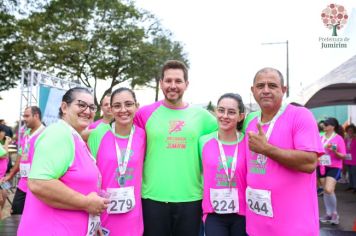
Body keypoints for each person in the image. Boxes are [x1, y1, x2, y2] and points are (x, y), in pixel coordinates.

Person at [134, 60, 218, 236]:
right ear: (161, 83)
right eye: (168, 81)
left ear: (186, 84)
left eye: (178, 81)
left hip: (191, 198)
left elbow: (228, 135)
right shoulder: (144, 114)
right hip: (152, 198)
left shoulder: (203, 117)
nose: (173, 86)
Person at [17, 87, 109, 236]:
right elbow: (39, 183)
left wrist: (92, 223)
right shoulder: (58, 134)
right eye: (81, 105)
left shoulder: (74, 137)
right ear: (64, 107)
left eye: (92, 107)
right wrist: (86, 203)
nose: (88, 111)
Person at [245, 67, 324, 236]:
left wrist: (266, 149)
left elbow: (310, 162)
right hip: (257, 225)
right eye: (260, 86)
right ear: (253, 91)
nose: (265, 90)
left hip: (293, 227)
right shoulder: (251, 123)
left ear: (284, 89)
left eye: (272, 85)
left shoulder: (300, 115)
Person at [88, 87, 146, 235]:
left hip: (133, 216)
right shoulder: (97, 134)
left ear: (136, 106)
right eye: (117, 105)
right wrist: (93, 218)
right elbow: (90, 177)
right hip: (103, 215)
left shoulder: (143, 136)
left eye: (128, 104)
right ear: (111, 109)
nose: (123, 110)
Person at [199, 93, 247, 236]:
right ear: (215, 111)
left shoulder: (248, 142)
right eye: (221, 110)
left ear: (241, 116)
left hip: (243, 213)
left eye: (231, 112)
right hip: (214, 213)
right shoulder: (203, 141)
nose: (225, 116)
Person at [1, 106, 45, 215]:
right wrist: (11, 175)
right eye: (23, 116)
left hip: (39, 183)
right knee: (15, 211)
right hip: (24, 182)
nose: (24, 118)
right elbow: (20, 155)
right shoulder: (26, 133)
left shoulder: (45, 134)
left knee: (35, 214)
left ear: (36, 116)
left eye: (27, 116)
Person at [318, 117, 346, 225]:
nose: (324, 126)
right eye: (323, 124)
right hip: (321, 165)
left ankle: (334, 213)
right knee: (325, 190)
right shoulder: (320, 136)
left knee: (329, 189)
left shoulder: (338, 138)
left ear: (332, 127)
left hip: (334, 166)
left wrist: (335, 151)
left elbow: (342, 155)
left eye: (326, 124)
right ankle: (328, 213)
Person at [0, 125, 12, 219]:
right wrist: (7, 142)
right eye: (3, 132)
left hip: (3, 177)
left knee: (5, 193)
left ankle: (1, 210)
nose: (4, 134)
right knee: (2, 196)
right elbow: (4, 154)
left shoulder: (1, 144)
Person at [344, 124, 356, 192]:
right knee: (349, 173)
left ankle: (355, 187)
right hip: (348, 159)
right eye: (348, 131)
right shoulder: (346, 139)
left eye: (351, 131)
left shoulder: (355, 139)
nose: (350, 132)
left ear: (354, 131)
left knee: (354, 173)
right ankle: (351, 185)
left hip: (354, 159)